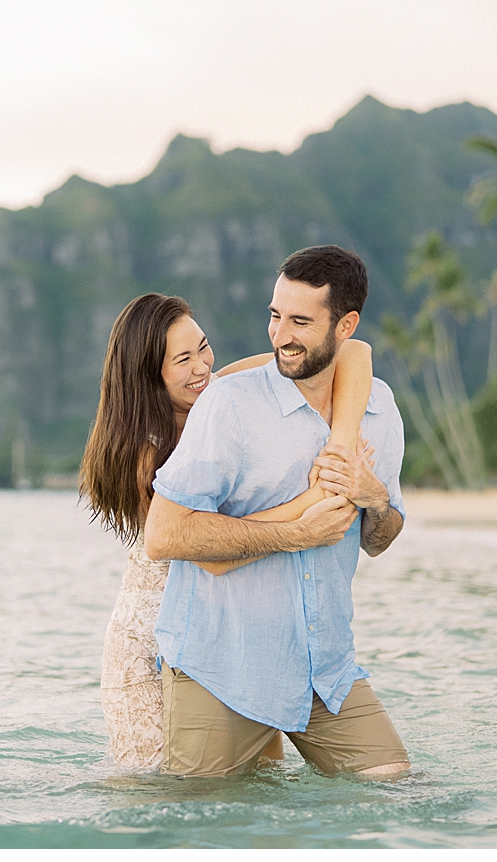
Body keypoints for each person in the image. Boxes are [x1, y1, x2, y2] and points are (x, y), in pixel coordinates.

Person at [144, 244, 410, 778]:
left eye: (300, 321)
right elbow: (165, 536)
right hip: (222, 664)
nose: (281, 334)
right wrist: (295, 533)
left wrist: (373, 496)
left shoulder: (377, 410)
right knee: (199, 825)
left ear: (346, 325)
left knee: (395, 792)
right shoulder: (230, 405)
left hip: (323, 668)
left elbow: (379, 538)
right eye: (274, 315)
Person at [81, 291, 375, 769]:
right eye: (183, 359)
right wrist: (306, 507)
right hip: (152, 642)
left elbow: (352, 351)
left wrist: (340, 445)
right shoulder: (142, 451)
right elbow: (201, 543)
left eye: (203, 346)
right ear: (146, 374)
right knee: (161, 795)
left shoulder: (225, 390)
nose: (202, 366)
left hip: (229, 628)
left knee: (262, 782)